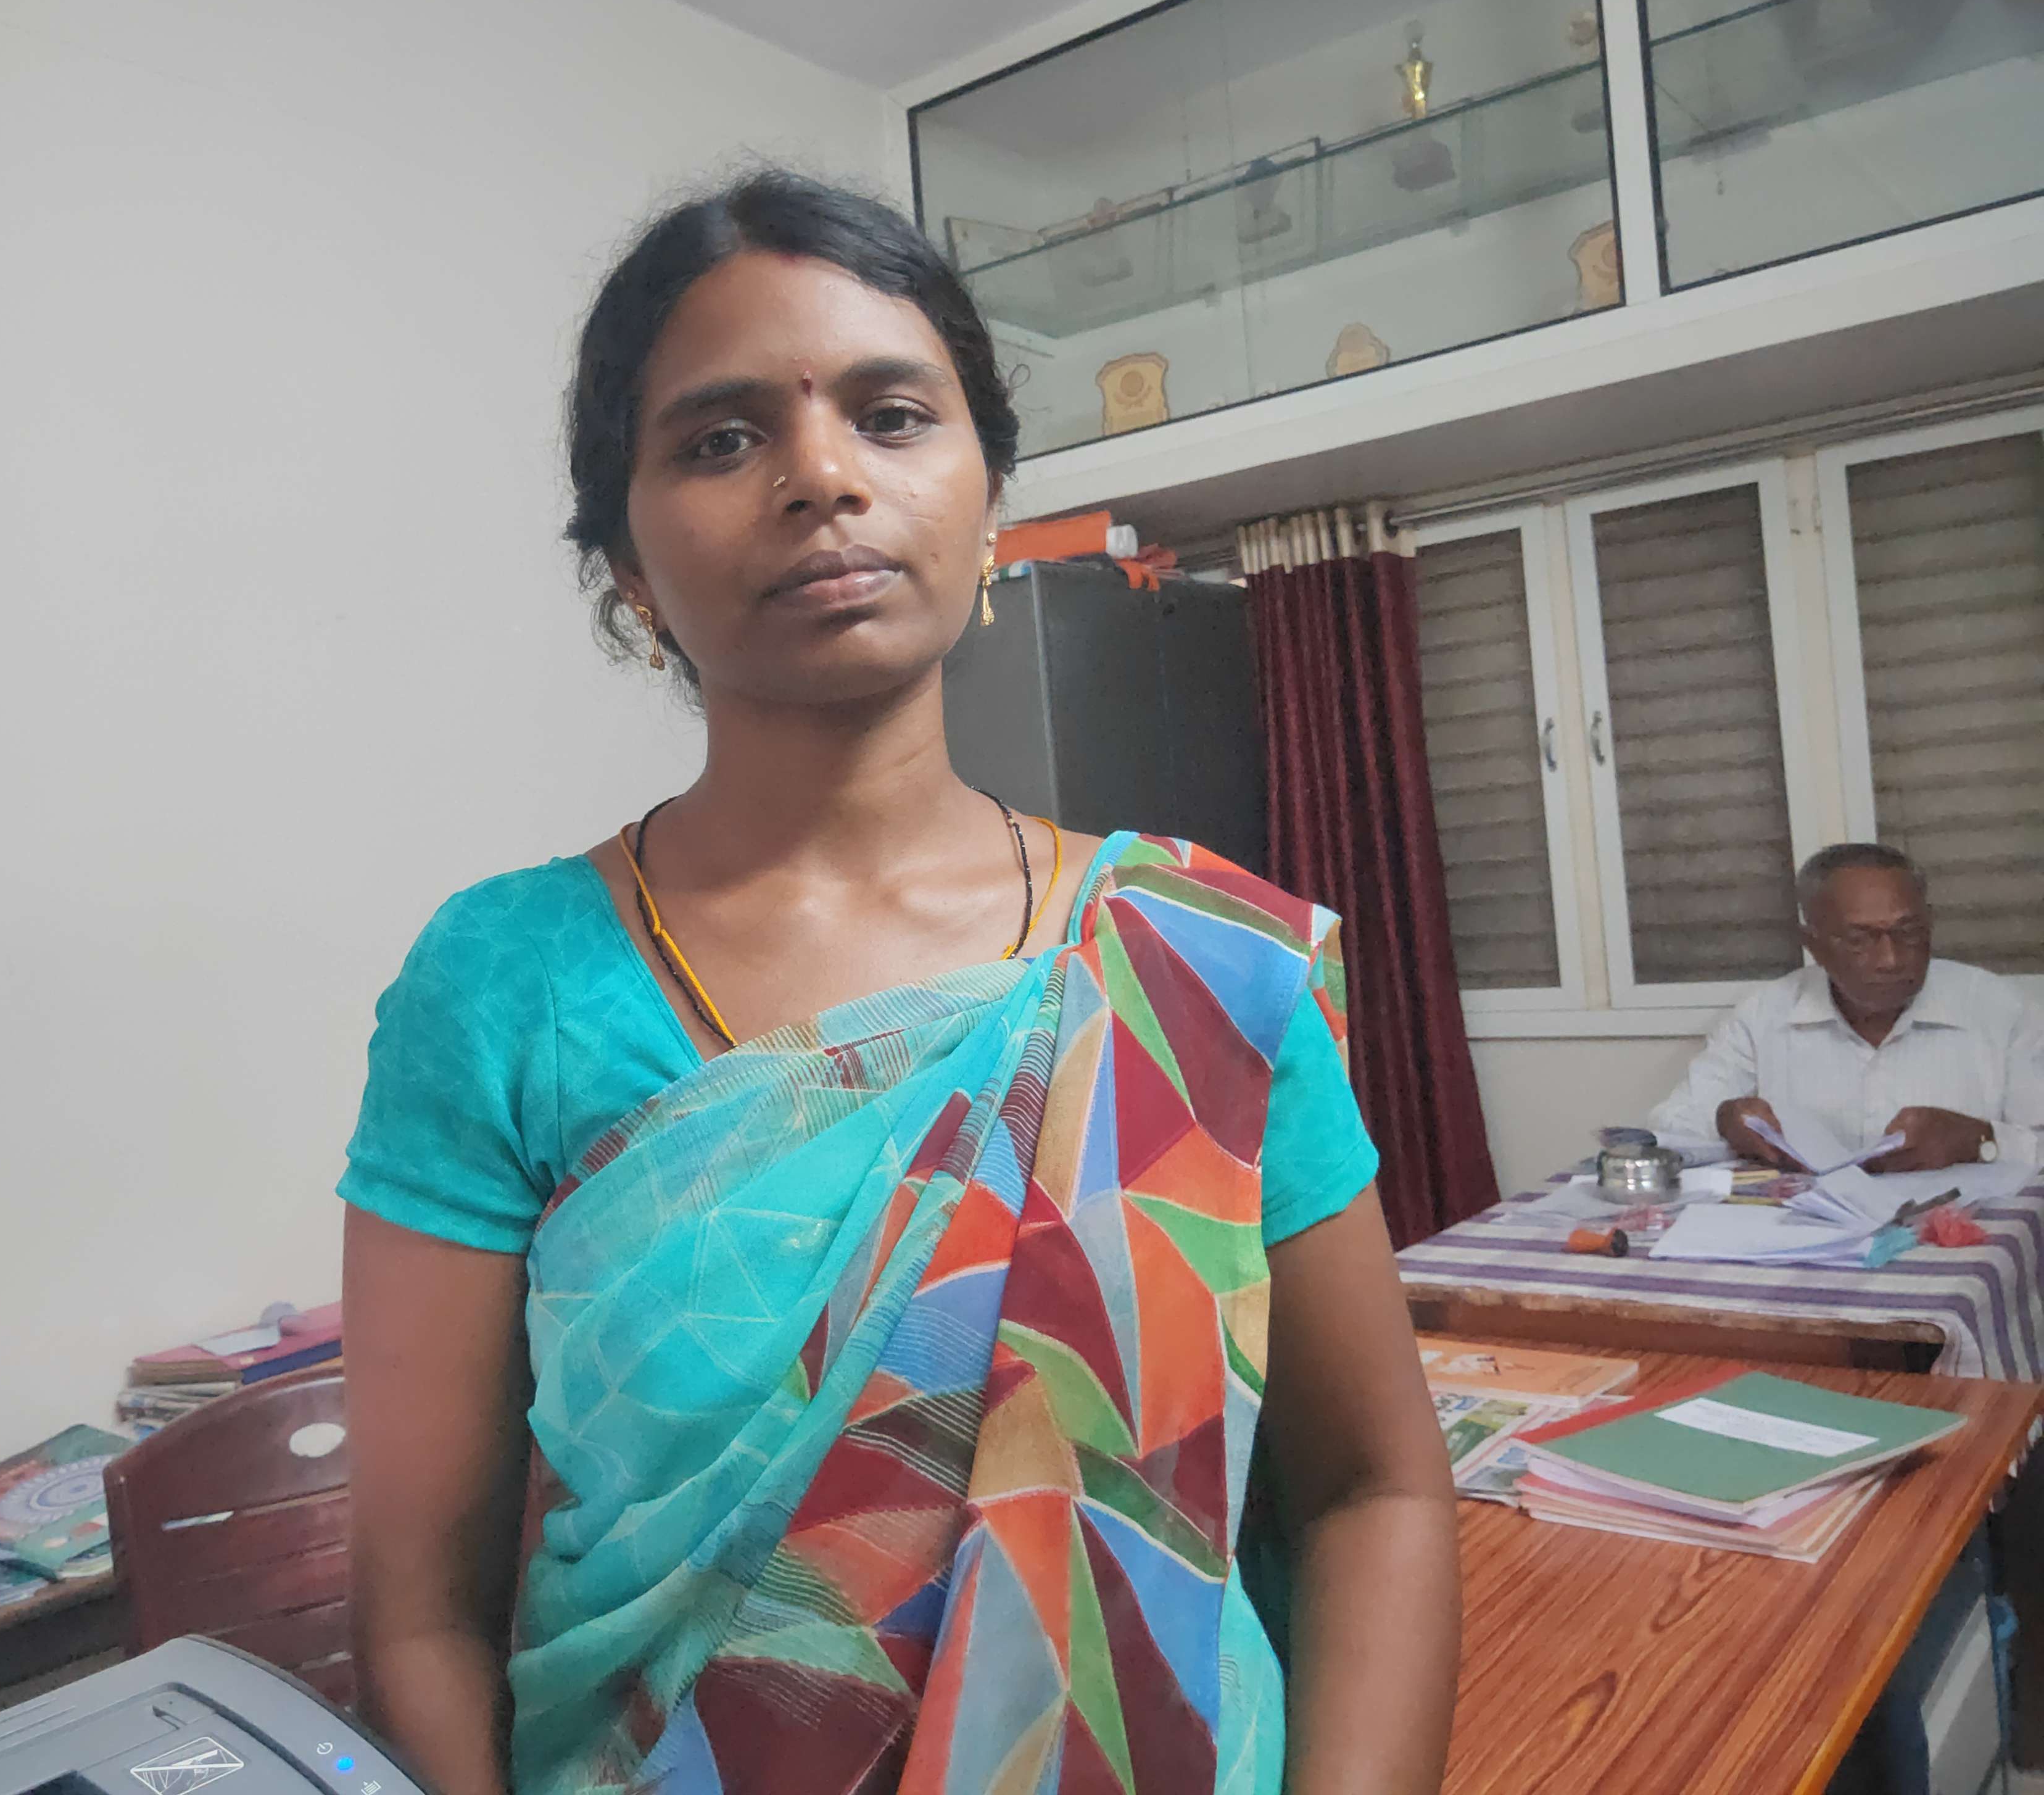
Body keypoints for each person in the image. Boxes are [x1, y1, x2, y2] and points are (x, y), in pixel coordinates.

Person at [336, 170, 1457, 1795]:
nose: (821, 476)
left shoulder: (1198, 965)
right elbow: (422, 1615)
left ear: (988, 503)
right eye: (722, 438)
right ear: (627, 567)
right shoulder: (505, 983)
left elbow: (1371, 1493)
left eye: (891, 416)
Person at [1651, 842, 2044, 1173]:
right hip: (1809, 1232)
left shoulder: (2000, 1010)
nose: (1890, 959)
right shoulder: (1764, 1015)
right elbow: (1670, 1129)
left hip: (1960, 1229)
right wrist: (1725, 1119)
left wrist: (1978, 1140)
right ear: (1813, 945)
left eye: (1908, 932)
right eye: (1859, 939)